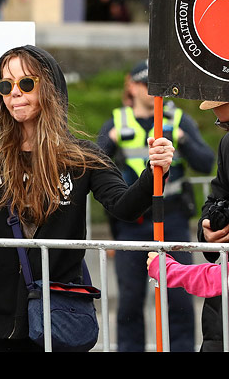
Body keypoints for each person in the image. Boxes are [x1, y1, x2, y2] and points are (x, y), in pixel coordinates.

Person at [0, 45, 174, 352]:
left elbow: (125, 206)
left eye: (26, 83)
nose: (14, 93)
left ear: (49, 87)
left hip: (60, 318)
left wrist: (156, 171)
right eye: (5, 85)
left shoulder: (81, 157)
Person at [97, 60, 215, 352]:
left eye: (155, 84)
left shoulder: (177, 120)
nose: (151, 91)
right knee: (130, 299)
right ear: (132, 87)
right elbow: (93, 165)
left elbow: (206, 162)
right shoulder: (117, 122)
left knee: (179, 297)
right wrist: (109, 143)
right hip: (132, 223)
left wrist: (183, 140)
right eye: (143, 84)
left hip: (172, 218)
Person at [195, 100, 229, 351]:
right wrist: (207, 231)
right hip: (222, 315)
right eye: (223, 125)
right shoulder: (228, 144)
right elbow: (216, 199)